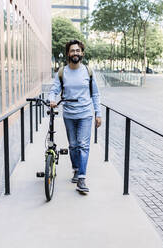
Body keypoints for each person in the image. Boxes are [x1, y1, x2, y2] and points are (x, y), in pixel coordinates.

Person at [49, 40, 102, 193]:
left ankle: (82, 179)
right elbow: (54, 90)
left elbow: (96, 94)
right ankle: (76, 169)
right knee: (73, 145)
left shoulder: (88, 71)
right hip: (69, 115)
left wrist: (98, 113)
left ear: (82, 53)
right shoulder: (62, 72)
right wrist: (51, 99)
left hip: (85, 114)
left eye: (78, 51)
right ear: (68, 54)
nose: (75, 53)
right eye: (72, 51)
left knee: (83, 145)